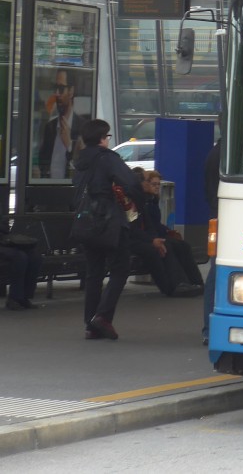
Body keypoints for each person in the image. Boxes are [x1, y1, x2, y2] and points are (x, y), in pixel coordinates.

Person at [72, 118, 141, 341]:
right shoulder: (108, 159)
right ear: (103, 138)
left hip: (85, 221)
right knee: (120, 268)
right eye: (108, 136)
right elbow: (130, 182)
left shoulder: (81, 161)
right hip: (109, 221)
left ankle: (90, 324)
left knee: (94, 273)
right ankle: (102, 317)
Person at [129, 168, 204, 298]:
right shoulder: (135, 201)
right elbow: (134, 228)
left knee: (182, 245)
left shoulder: (149, 200)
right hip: (136, 239)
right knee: (166, 247)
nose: (156, 186)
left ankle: (194, 281)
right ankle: (175, 284)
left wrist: (161, 234)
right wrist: (154, 239)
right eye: (150, 182)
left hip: (148, 236)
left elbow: (151, 225)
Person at [37, 68, 90, 180]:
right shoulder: (50, 127)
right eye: (55, 88)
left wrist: (70, 146)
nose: (57, 94)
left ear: (71, 91)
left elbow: (85, 165)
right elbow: (42, 160)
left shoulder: (83, 127)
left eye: (61, 89)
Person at [202, 138, 220, 345]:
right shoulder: (226, 156)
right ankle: (209, 327)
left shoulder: (215, 153)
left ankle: (209, 327)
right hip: (225, 219)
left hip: (218, 215)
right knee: (216, 273)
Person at [0, 220, 41, 311]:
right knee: (19, 257)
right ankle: (14, 298)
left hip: (4, 240)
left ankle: (25, 297)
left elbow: (5, 227)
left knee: (34, 257)